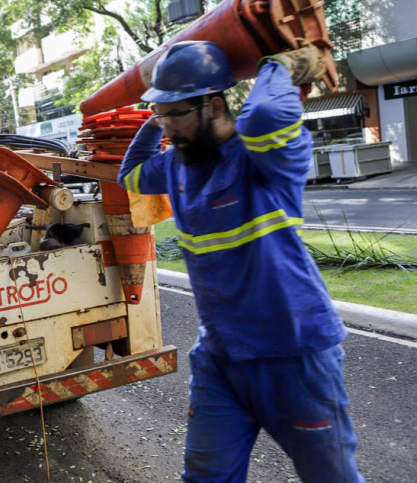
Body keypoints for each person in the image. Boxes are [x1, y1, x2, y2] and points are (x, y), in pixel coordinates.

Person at [118, 40, 363, 483]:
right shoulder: (176, 166)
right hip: (221, 359)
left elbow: (264, 114)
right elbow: (130, 173)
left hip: (295, 354)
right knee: (205, 476)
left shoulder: (266, 158)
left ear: (213, 105)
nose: (167, 129)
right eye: (162, 116)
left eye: (176, 115)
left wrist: (276, 67)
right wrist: (158, 97)